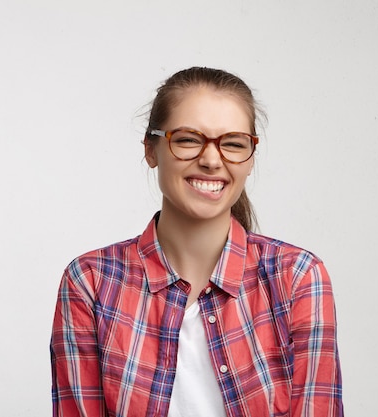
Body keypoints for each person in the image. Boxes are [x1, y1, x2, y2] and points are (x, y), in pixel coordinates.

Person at [50, 67, 343, 417]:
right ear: (151, 149)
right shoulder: (90, 282)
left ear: (250, 159)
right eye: (188, 139)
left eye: (234, 144)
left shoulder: (297, 277)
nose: (210, 159)